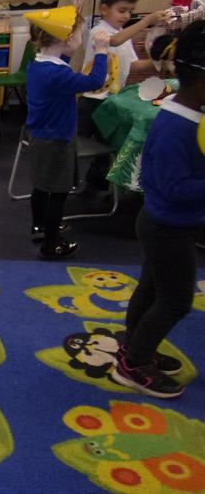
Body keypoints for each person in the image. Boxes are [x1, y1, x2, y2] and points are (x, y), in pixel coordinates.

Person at [113, 20, 205, 399]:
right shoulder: (177, 127)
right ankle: (134, 365)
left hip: (165, 222)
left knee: (152, 289)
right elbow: (175, 188)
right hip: (167, 226)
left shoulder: (185, 112)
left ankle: (133, 346)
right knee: (176, 300)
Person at [25, 7, 110, 259]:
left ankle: (39, 227)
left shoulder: (38, 65)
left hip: (41, 137)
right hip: (57, 140)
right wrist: (101, 51)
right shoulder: (58, 74)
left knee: (41, 187)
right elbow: (95, 82)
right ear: (69, 39)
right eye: (81, 34)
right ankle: (51, 244)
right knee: (58, 193)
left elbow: (62, 59)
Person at [78, 0, 170, 189]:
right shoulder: (99, 31)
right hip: (92, 100)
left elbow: (133, 65)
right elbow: (114, 41)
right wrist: (147, 21)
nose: (127, 16)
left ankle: (96, 184)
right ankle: (61, 184)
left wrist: (160, 62)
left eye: (130, 11)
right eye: (122, 10)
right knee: (76, 144)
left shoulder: (122, 34)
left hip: (111, 100)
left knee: (106, 144)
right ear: (103, 9)